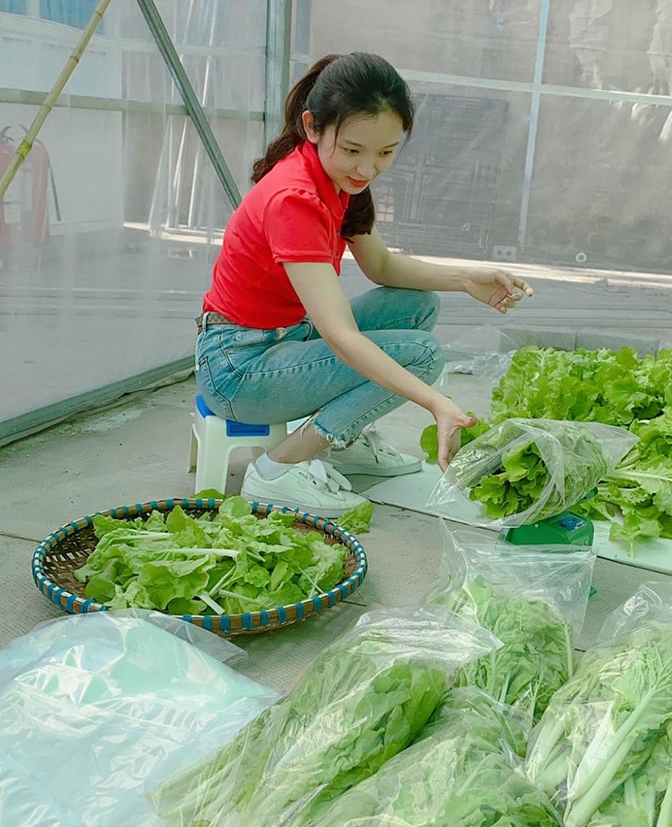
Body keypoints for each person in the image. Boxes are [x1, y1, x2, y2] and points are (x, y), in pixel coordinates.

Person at [196, 51, 533, 516]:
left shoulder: (340, 179)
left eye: (385, 153)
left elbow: (381, 266)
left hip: (283, 338)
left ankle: (344, 439)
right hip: (238, 370)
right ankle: (278, 469)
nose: (368, 168)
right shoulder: (295, 199)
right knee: (422, 355)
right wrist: (436, 402)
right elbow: (340, 336)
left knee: (416, 307)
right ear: (313, 127)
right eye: (354, 150)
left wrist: (467, 279)